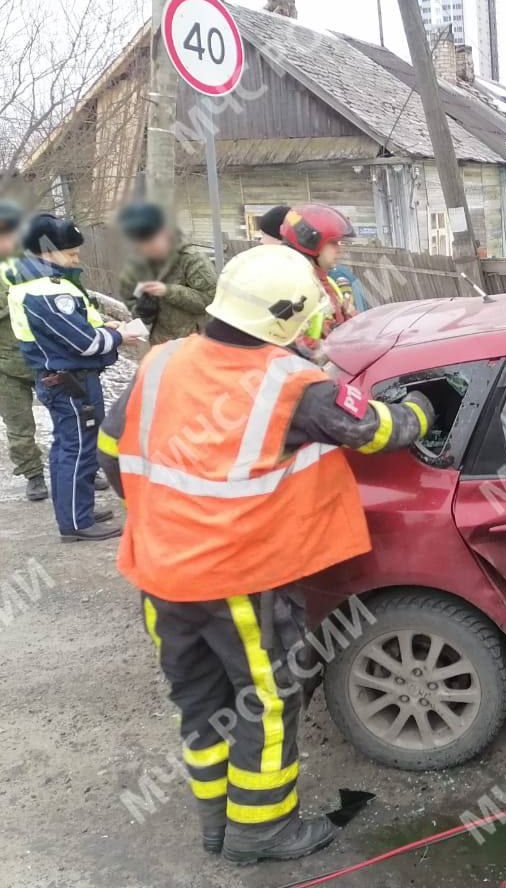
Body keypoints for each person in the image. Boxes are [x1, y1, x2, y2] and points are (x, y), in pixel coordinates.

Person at [96, 244, 435, 864]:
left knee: (201, 702)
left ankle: (216, 824)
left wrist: (161, 517)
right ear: (290, 317)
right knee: (268, 702)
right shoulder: (293, 384)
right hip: (238, 583)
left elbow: (113, 449)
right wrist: (423, 405)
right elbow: (375, 430)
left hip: (158, 573)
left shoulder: (164, 360)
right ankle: (264, 832)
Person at [7, 214, 147, 540]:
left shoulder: (36, 283)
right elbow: (83, 342)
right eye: (69, 254)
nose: (76, 259)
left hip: (65, 377)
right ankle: (77, 522)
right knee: (79, 448)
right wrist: (118, 336)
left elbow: (77, 329)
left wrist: (103, 327)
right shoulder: (46, 291)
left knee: (67, 446)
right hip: (71, 380)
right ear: (47, 252)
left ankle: (76, 508)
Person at [117, 202, 218, 346]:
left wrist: (168, 291)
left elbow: (210, 300)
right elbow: (133, 301)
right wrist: (143, 308)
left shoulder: (192, 259)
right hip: (160, 344)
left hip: (192, 344)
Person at [0, 201, 47, 501]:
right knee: (18, 424)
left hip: (44, 357)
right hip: (5, 364)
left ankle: (82, 469)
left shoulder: (35, 264)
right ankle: (33, 475)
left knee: (68, 417)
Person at [279, 204, 357, 349]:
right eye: (334, 243)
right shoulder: (292, 289)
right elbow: (291, 343)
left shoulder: (329, 283)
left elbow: (347, 323)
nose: (340, 249)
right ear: (310, 242)